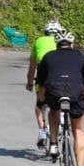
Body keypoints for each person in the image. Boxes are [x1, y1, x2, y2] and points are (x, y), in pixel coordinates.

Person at [35, 28, 84, 166]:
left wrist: (40, 101)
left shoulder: (48, 57)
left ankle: (53, 144)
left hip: (54, 91)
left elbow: (41, 85)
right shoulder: (80, 57)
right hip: (75, 93)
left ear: (57, 44)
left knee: (53, 110)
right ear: (72, 44)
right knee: (78, 130)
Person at [25, 19, 61, 154]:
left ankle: (42, 129)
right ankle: (62, 123)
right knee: (57, 104)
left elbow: (32, 67)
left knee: (40, 105)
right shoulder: (62, 42)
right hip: (61, 79)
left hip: (43, 78)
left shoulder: (38, 41)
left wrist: (29, 82)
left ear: (45, 32)